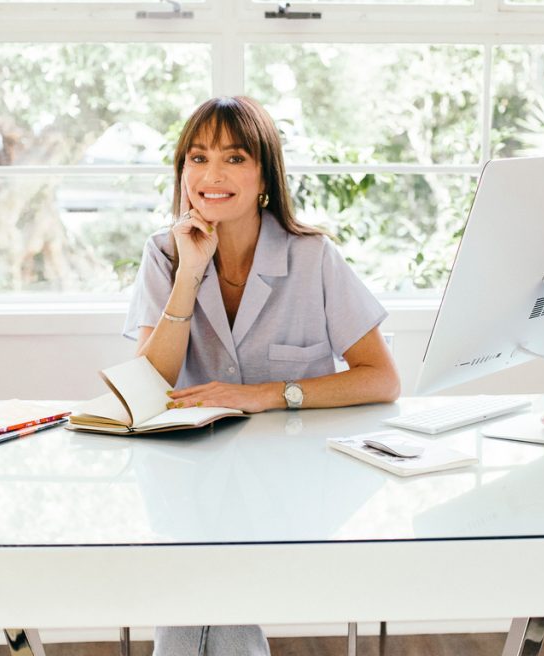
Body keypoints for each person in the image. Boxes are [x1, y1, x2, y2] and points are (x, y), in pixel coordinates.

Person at [124, 96, 400, 656]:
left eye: (233, 158)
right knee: (206, 580)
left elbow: (380, 379)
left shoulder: (313, 257)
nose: (211, 175)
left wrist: (265, 395)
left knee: (201, 583)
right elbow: (149, 387)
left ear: (264, 176)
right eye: (197, 159)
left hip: (293, 483)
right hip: (188, 480)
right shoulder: (163, 255)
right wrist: (190, 274)